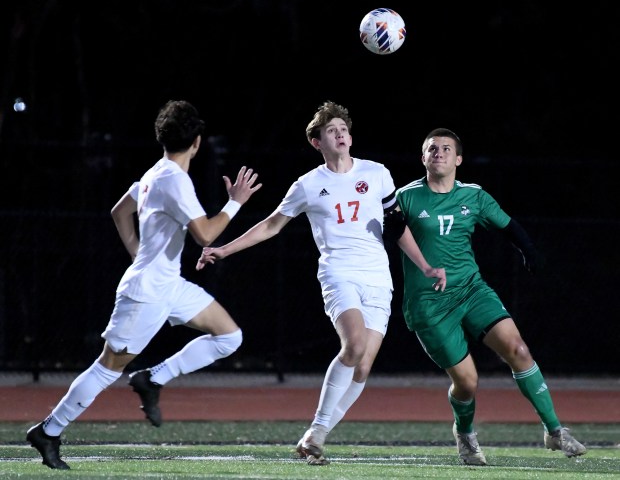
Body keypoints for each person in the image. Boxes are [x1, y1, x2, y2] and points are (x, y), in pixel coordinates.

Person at [196, 100, 446, 465]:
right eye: (332, 131)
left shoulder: (377, 174)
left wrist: (424, 266)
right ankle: (317, 429)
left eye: (343, 128)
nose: (341, 134)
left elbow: (397, 227)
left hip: (378, 277)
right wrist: (224, 249)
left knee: (362, 367)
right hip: (338, 273)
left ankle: (315, 437)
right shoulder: (308, 185)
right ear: (317, 142)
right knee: (354, 344)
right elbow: (270, 225)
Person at [25, 99, 262, 470]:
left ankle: (153, 377)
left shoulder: (156, 173)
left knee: (230, 337)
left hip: (168, 285)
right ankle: (48, 431)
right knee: (107, 367)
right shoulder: (174, 180)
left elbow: (119, 211)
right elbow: (204, 234)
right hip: (146, 292)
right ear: (197, 142)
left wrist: (140, 253)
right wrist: (235, 203)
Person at [395, 127, 586, 466]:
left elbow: (508, 226)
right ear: (422, 157)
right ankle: (465, 435)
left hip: (471, 290)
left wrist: (528, 249)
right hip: (429, 304)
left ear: (458, 159)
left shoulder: (474, 196)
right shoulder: (406, 198)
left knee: (519, 349)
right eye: (431, 148)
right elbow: (379, 229)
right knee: (467, 383)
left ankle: (554, 430)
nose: (438, 152)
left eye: (446, 148)